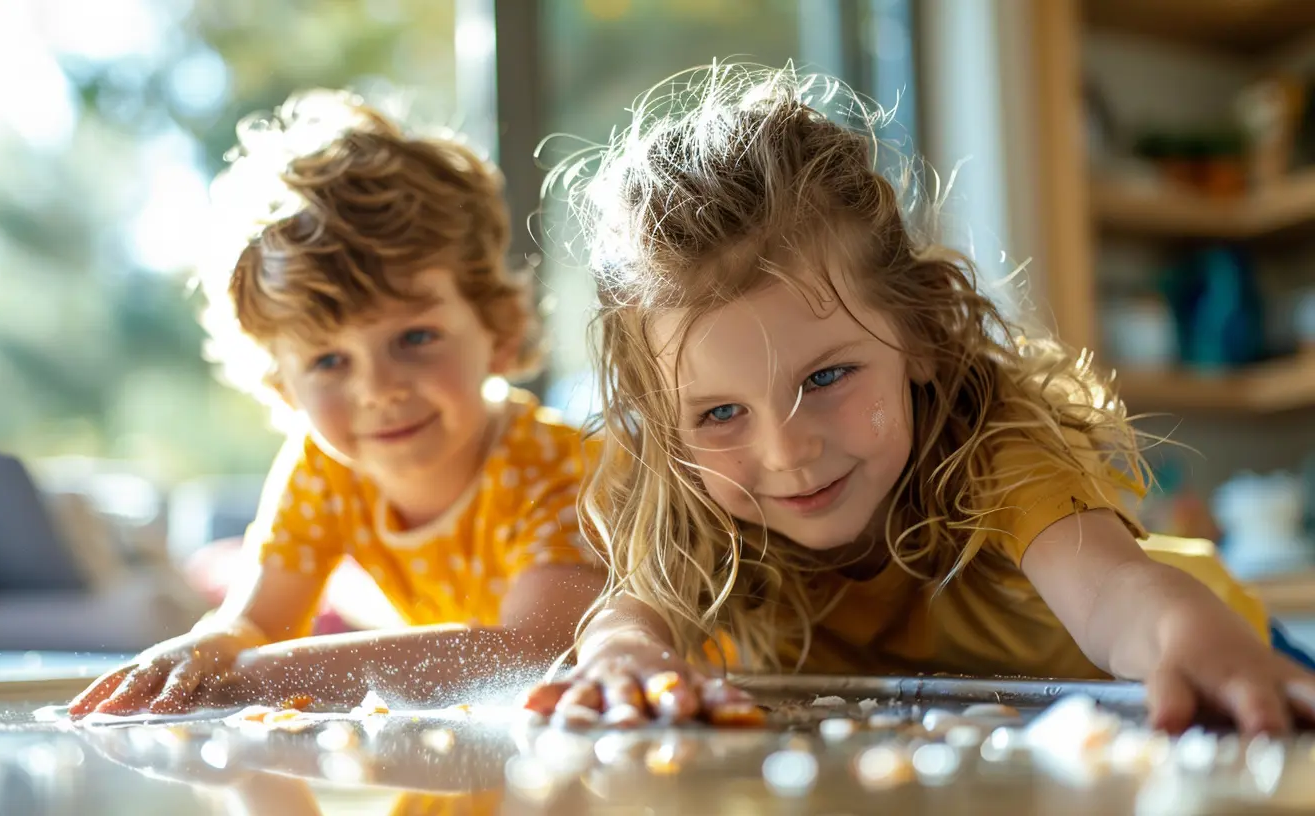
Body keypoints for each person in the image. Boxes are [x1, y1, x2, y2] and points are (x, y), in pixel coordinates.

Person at [521, 64, 1315, 735]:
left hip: (1217, 654)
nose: (786, 451)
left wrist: (1189, 638)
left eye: (826, 378)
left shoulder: (994, 448)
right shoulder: (696, 504)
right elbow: (635, 612)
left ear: (923, 333)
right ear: (666, 423)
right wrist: (622, 657)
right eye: (720, 412)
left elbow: (1114, 595)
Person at [70, 90, 603, 717]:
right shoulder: (323, 469)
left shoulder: (554, 467)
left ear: (499, 330)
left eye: (415, 337)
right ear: (282, 386)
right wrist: (203, 650)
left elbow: (535, 658)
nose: (378, 388)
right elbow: (252, 624)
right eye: (328, 361)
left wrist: (245, 677)